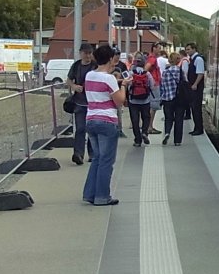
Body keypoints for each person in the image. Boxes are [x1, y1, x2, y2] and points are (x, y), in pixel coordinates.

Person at [82, 44, 126, 206]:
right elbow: (119, 101)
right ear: (109, 59)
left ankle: (89, 194)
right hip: (107, 122)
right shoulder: (109, 79)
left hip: (91, 120)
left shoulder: (89, 75)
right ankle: (102, 196)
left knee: (97, 159)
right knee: (107, 160)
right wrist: (124, 86)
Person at [66, 43, 97, 166]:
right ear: (81, 53)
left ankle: (92, 153)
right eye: (86, 53)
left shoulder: (95, 66)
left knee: (92, 129)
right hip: (79, 101)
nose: (88, 56)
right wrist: (74, 86)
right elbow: (68, 80)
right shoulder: (76, 66)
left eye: (90, 53)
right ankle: (78, 154)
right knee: (80, 129)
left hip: (93, 103)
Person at [126, 55, 157, 147]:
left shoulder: (131, 73)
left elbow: (127, 85)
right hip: (145, 100)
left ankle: (137, 140)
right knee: (146, 118)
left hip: (133, 101)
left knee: (135, 120)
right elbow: (153, 86)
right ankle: (144, 132)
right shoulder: (147, 74)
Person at [159, 52, 187, 145]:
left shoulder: (165, 72)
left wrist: (162, 97)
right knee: (179, 119)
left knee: (168, 118)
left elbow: (162, 86)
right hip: (179, 99)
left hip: (167, 99)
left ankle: (167, 132)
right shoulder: (180, 71)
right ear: (178, 60)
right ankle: (177, 141)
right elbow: (185, 83)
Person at [185, 42, 206, 135]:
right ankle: (196, 127)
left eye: (189, 49)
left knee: (196, 108)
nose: (187, 51)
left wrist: (195, 84)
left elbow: (200, 73)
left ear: (194, 49)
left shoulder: (198, 59)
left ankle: (199, 129)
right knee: (194, 108)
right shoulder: (193, 59)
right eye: (186, 49)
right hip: (193, 87)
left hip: (196, 88)